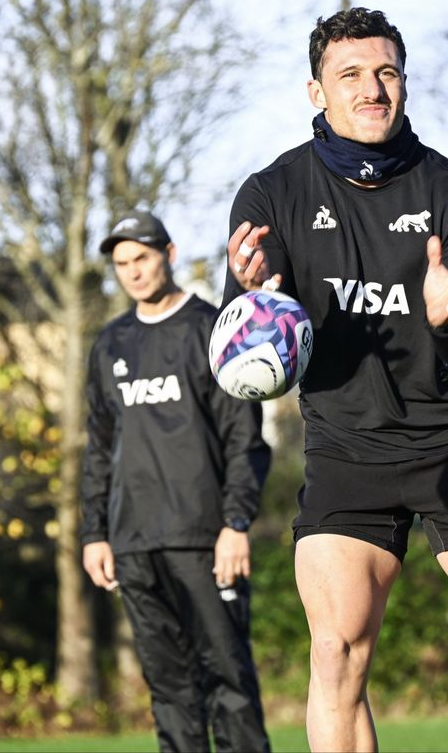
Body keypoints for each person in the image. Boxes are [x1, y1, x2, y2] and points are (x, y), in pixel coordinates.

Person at [223, 7, 448, 752]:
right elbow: (257, 347)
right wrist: (251, 296)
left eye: (386, 72)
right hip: (346, 447)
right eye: (350, 75)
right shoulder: (270, 195)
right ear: (315, 90)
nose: (372, 89)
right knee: (335, 652)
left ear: (403, 81)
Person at [80, 210, 272, 753]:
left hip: (204, 540)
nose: (133, 272)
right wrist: (94, 532)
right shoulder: (110, 344)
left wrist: (236, 523)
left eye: (141, 257)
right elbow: (98, 446)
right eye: (122, 264)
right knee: (168, 691)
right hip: (134, 544)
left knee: (229, 684)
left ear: (168, 253)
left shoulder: (214, 329)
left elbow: (245, 440)